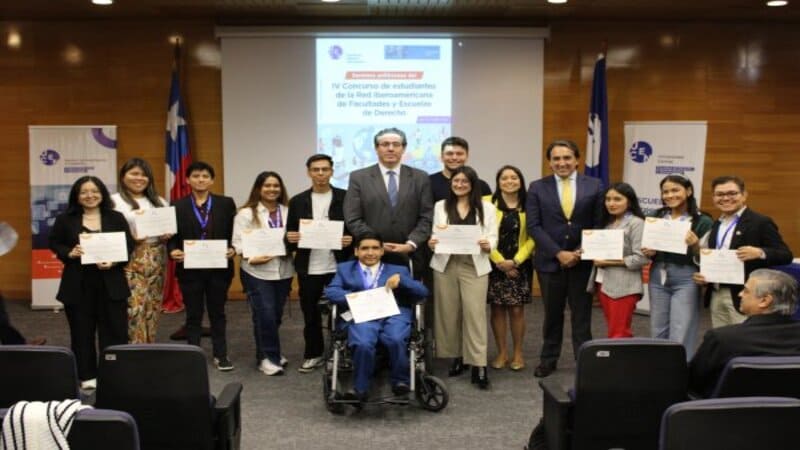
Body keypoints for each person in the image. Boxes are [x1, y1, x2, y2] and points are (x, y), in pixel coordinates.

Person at [526, 139, 604, 378]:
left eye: (567, 157)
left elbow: (598, 224)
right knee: (552, 314)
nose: (562, 162)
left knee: (582, 315)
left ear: (577, 160)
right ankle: (548, 359)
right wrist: (558, 253)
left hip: (583, 262)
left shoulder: (595, 185)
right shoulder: (537, 187)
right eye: (557, 158)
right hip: (550, 263)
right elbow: (534, 226)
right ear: (549, 162)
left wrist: (580, 252)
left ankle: (585, 361)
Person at [48, 176, 134, 389]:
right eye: (84, 192)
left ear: (102, 193)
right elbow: (54, 242)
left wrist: (113, 261)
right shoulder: (65, 219)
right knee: (81, 332)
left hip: (111, 283)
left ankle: (113, 373)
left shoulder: (116, 217)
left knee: (115, 331)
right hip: (78, 284)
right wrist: (69, 252)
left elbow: (128, 246)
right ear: (77, 196)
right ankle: (87, 375)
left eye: (94, 191)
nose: (90, 196)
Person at [324, 232, 429, 402]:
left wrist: (402, 281)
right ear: (356, 251)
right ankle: (360, 388)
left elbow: (422, 292)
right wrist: (357, 297)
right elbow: (331, 291)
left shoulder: (398, 270)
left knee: (395, 338)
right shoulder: (345, 269)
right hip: (362, 314)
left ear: (382, 251)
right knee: (363, 342)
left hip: (392, 313)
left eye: (375, 248)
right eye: (365, 248)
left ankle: (400, 382)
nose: (370, 252)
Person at [692, 175, 793, 328]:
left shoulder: (760, 222)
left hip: (747, 295)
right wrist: (705, 275)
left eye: (732, 193)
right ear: (713, 198)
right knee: (723, 341)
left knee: (745, 342)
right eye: (720, 194)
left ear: (744, 195)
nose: (726, 198)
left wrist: (760, 252)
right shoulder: (716, 225)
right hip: (717, 293)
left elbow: (785, 255)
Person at [429, 166, 497, 389]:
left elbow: (492, 236)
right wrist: (432, 242)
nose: (459, 185)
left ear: (472, 184)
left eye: (464, 182)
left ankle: (478, 364)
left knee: (474, 314)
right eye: (456, 181)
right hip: (445, 264)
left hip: (473, 265)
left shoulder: (486, 208)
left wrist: (489, 244)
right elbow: (435, 233)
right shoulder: (441, 206)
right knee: (448, 313)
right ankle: (457, 356)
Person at [286, 154, 352, 373]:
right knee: (310, 313)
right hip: (310, 266)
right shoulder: (297, 201)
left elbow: (356, 228)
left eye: (325, 169)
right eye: (316, 169)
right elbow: (290, 233)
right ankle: (313, 353)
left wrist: (351, 239)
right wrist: (291, 238)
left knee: (343, 311)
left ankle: (340, 353)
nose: (321, 174)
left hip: (339, 265)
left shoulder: (346, 197)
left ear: (332, 171)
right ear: (309, 172)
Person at [168, 162, 237, 371]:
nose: (200, 179)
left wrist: (234, 248)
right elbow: (172, 237)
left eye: (205, 176)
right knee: (193, 314)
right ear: (188, 180)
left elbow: (235, 232)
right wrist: (172, 250)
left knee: (218, 313)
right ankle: (193, 355)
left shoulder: (226, 203)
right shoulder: (177, 206)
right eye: (196, 176)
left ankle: (221, 354)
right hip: (190, 269)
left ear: (212, 180)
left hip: (219, 269)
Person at [689, 268, 800, 397]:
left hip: (728, 414)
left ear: (764, 301)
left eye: (746, 291)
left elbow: (694, 383)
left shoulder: (722, 339)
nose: (740, 294)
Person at [343, 127, 433, 275]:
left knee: (407, 297)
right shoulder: (359, 177)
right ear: (376, 148)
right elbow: (353, 217)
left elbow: (427, 216)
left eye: (396, 144)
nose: (390, 149)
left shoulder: (420, 177)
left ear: (403, 148)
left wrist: (411, 244)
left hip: (409, 254)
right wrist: (375, 244)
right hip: (371, 256)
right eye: (385, 144)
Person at [642, 175, 712, 358]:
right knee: (658, 326)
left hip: (686, 277)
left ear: (688, 191)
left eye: (675, 190)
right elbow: (647, 248)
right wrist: (648, 251)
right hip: (658, 275)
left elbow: (708, 259)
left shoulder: (703, 221)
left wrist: (696, 246)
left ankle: (680, 370)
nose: (670, 195)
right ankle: (659, 369)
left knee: (682, 327)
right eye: (665, 191)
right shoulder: (655, 217)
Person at [232, 171, 294, 376]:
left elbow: (293, 238)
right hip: (256, 271)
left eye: (276, 185)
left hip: (283, 270)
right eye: (267, 185)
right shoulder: (246, 214)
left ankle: (270, 351)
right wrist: (250, 257)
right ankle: (267, 357)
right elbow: (238, 243)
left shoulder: (288, 211)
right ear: (259, 188)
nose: (272, 189)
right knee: (264, 314)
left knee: (275, 315)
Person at [111, 158, 170, 344]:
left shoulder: (159, 201)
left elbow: (168, 227)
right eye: (134, 173)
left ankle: (148, 346)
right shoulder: (113, 201)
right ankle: (132, 350)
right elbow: (106, 232)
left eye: (143, 175)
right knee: (133, 307)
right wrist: (131, 239)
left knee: (152, 306)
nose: (139, 178)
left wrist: (166, 235)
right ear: (123, 176)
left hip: (157, 255)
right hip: (129, 257)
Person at [486, 165, 534, 371]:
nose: (509, 181)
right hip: (493, 263)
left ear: (521, 180)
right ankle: (502, 352)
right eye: (504, 178)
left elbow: (533, 236)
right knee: (497, 309)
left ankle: (518, 353)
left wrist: (515, 261)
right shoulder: (487, 203)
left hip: (520, 265)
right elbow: (482, 235)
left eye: (514, 177)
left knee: (516, 310)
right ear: (498, 182)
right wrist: (500, 262)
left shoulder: (530, 204)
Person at [586, 182, 649, 338]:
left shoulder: (637, 223)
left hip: (624, 286)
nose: (611, 203)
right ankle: (621, 361)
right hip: (604, 283)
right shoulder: (609, 223)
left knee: (619, 332)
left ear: (629, 201)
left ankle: (621, 362)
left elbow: (641, 258)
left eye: (617, 199)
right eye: (608, 199)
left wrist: (608, 262)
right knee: (614, 329)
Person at [429, 136, 492, 203]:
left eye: (459, 154)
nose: (454, 157)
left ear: (467, 157)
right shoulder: (428, 183)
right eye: (449, 154)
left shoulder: (481, 186)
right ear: (441, 157)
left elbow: (488, 211)